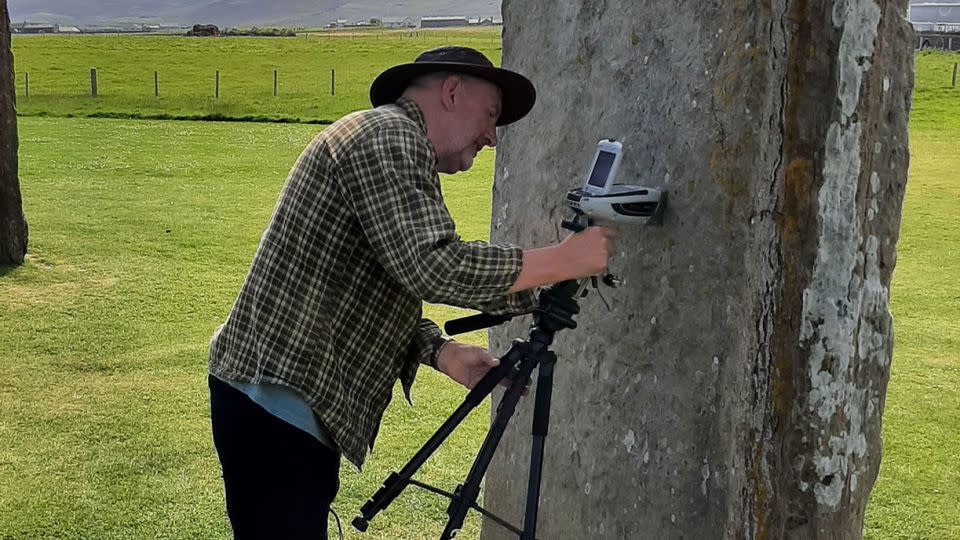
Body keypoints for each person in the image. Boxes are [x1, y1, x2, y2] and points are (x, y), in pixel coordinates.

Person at [207, 46, 615, 539]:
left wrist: (441, 353)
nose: (491, 136)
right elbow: (434, 265)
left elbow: (383, 282)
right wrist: (565, 259)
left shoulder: (389, 141)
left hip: (277, 404)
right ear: (451, 91)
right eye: (490, 115)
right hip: (274, 406)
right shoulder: (387, 137)